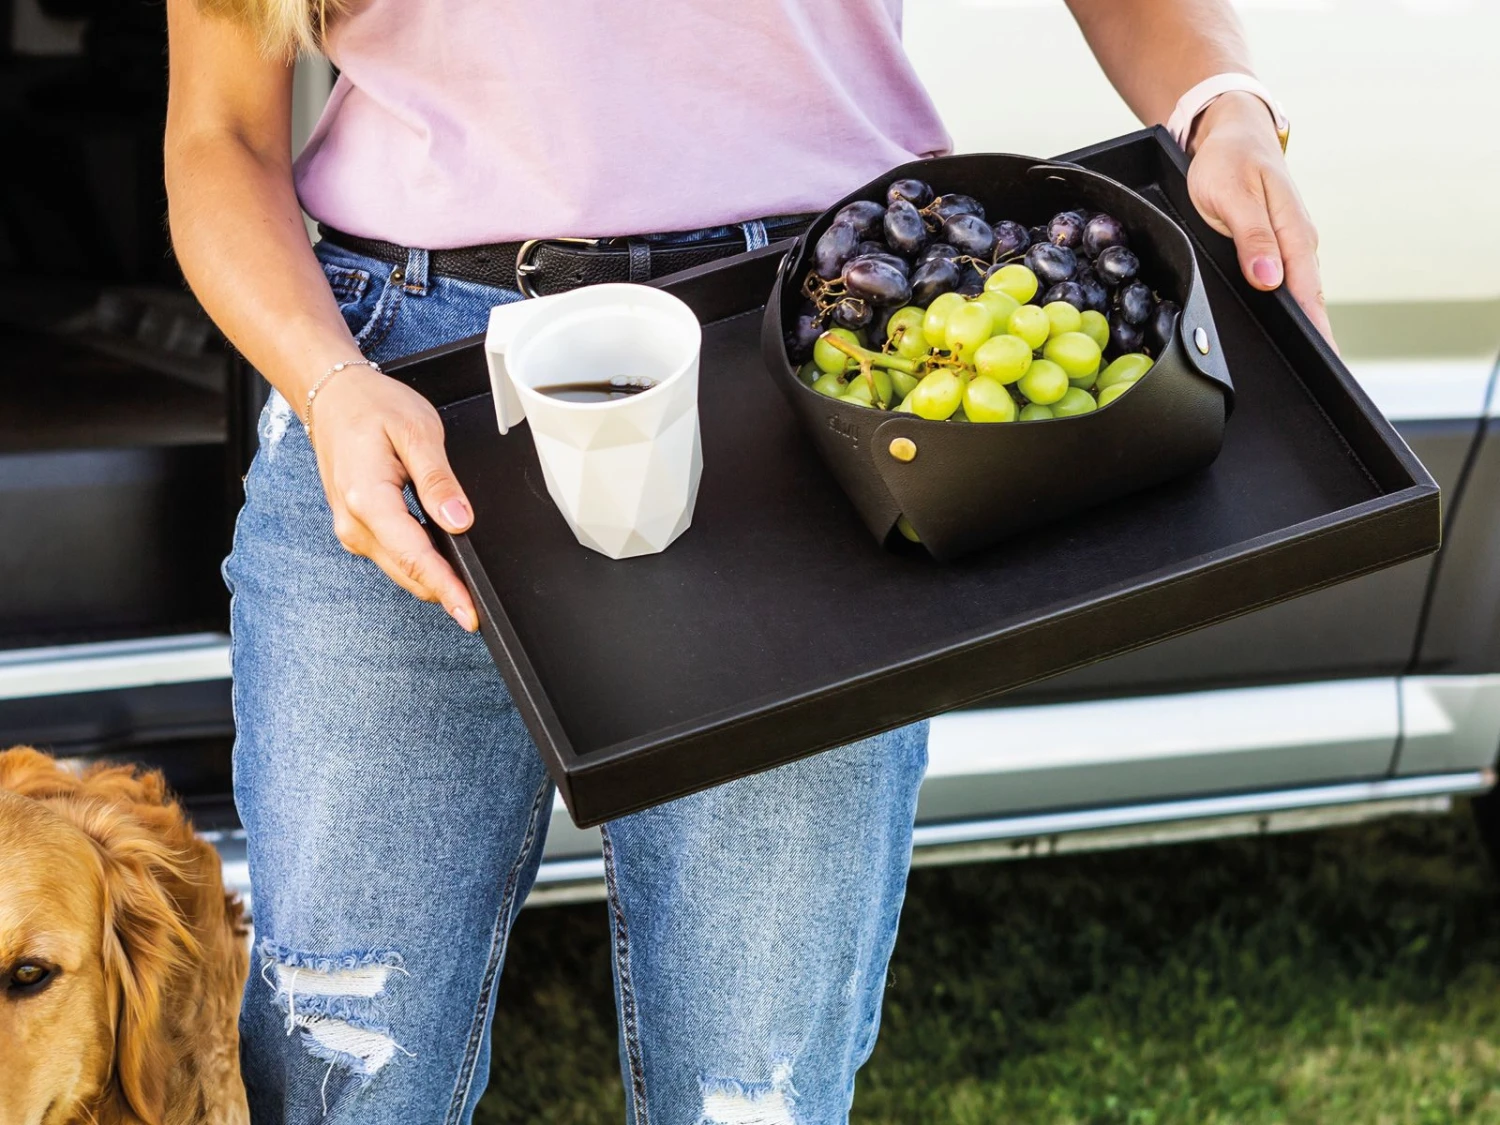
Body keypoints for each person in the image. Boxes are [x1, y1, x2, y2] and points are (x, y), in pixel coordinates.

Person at [164, 1, 1333, 1122]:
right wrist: (325, 381)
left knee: (752, 1093)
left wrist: (1222, 105)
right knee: (336, 1071)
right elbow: (217, 136)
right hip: (400, 392)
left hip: (810, 358)